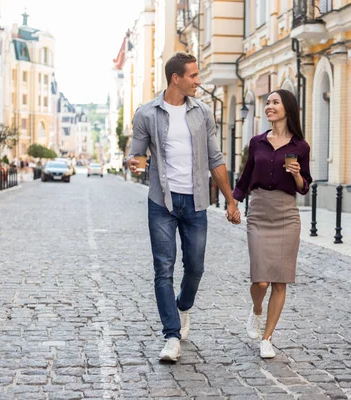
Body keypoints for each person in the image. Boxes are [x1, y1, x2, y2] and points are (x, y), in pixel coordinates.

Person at [127, 51, 241, 362]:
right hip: (161, 201)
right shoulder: (146, 114)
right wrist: (133, 163)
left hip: (195, 201)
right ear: (175, 78)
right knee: (163, 268)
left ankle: (183, 305)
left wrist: (231, 200)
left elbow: (215, 159)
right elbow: (136, 154)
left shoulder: (203, 112)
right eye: (193, 75)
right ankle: (171, 336)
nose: (198, 80)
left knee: (196, 267)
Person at [232, 89, 312, 359]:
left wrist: (298, 175)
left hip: (286, 213)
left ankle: (267, 338)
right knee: (261, 280)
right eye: (267, 103)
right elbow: (244, 179)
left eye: (275, 102)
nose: (269, 106)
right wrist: (233, 203)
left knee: (280, 281)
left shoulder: (300, 147)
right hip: (259, 211)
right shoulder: (256, 142)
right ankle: (256, 311)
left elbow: (304, 188)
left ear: (287, 108)